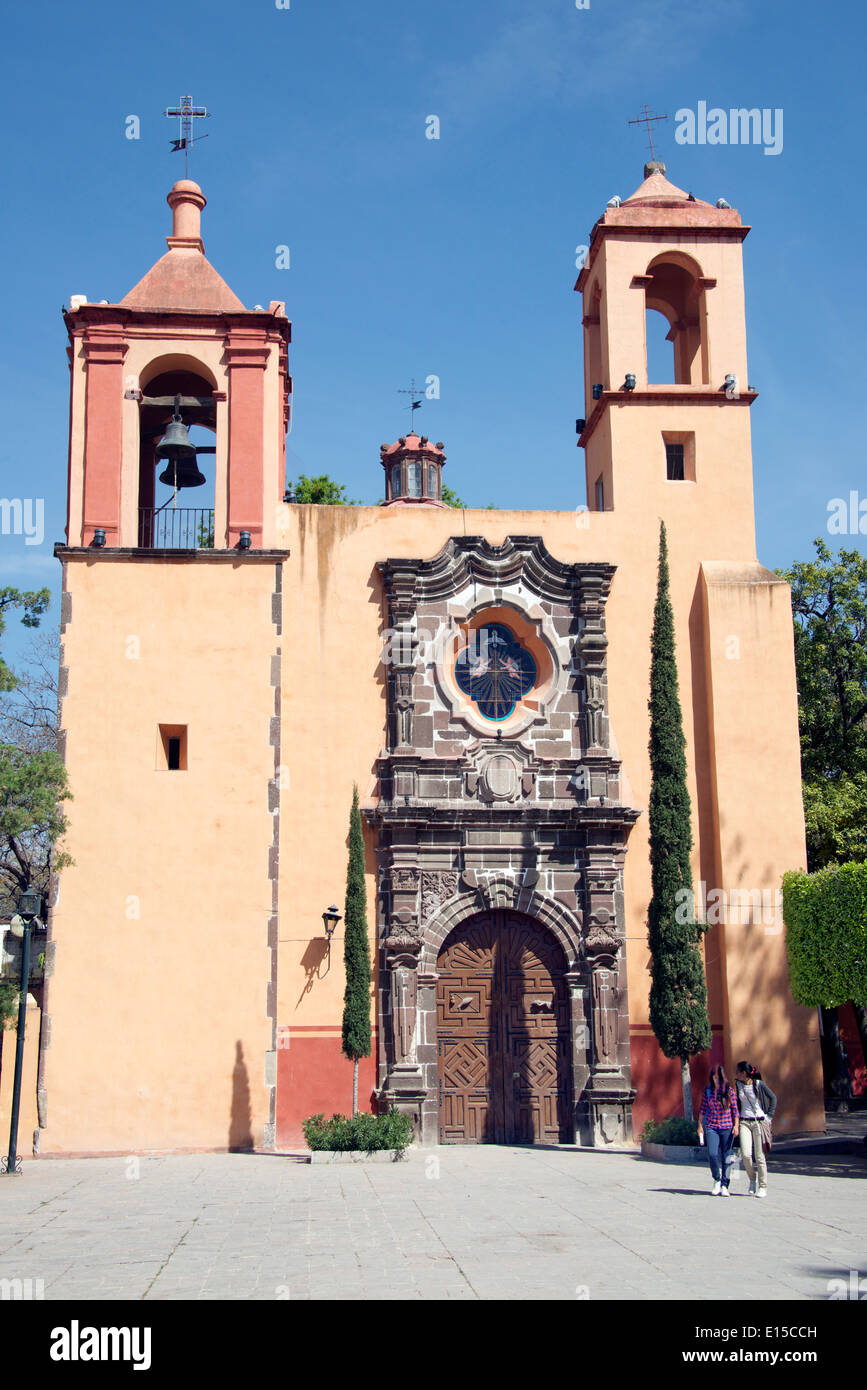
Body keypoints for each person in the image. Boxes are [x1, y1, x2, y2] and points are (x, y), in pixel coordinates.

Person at [735, 1061, 777, 1198]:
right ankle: (752, 1179)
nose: (736, 1074)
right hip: (744, 1122)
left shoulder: (759, 1084)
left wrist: (769, 1116)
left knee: (759, 1156)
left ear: (744, 1073)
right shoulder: (738, 1085)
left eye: (738, 1071)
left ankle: (763, 1186)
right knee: (746, 1155)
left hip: (758, 1122)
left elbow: (773, 1098)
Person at [697, 1064, 739, 1196]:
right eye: (714, 1078)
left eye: (719, 1078)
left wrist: (736, 1125)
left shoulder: (729, 1091)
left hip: (727, 1127)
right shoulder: (708, 1091)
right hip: (711, 1126)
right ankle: (717, 1178)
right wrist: (700, 1126)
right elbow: (703, 1109)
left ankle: (725, 1185)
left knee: (727, 1156)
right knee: (712, 1154)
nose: (717, 1081)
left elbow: (735, 1110)